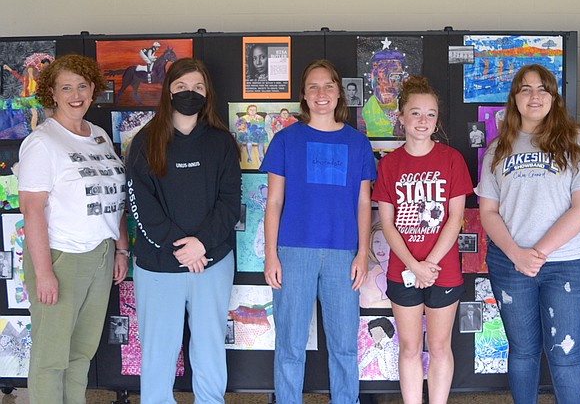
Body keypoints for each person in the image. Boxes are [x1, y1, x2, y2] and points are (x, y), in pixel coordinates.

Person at [475, 64, 580, 404]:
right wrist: (518, 255)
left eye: (542, 89)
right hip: (510, 264)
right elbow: (488, 212)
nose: (534, 96)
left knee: (565, 354)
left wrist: (539, 252)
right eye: (525, 89)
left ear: (553, 97)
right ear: (514, 98)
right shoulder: (497, 149)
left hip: (567, 264)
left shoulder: (576, 142)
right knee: (522, 352)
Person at [126, 58, 241, 403]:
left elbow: (230, 203)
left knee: (209, 351)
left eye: (198, 88)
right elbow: (141, 207)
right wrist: (183, 248)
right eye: (181, 87)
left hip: (212, 262)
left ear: (207, 95)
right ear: (167, 92)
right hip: (158, 265)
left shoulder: (221, 143)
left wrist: (201, 245)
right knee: (159, 353)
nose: (190, 94)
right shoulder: (145, 142)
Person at [262, 59, 375, 404]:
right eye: (313, 86)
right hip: (293, 251)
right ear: (303, 95)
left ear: (339, 92)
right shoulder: (285, 140)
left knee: (344, 345)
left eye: (328, 86)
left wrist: (362, 253)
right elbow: (274, 203)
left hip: (343, 253)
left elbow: (362, 204)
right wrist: (270, 255)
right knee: (290, 344)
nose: (321, 93)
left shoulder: (357, 144)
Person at [18, 54, 128, 403]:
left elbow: (114, 196)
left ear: (93, 88)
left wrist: (120, 247)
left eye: (82, 85)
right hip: (61, 257)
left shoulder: (98, 136)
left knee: (80, 354)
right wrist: (44, 272)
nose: (75, 94)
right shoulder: (42, 142)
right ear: (52, 92)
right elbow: (31, 210)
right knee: (51, 358)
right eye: (66, 87)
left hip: (100, 254)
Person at [372, 75, 472, 404]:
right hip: (403, 269)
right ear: (401, 117)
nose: (423, 121)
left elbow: (455, 218)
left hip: (443, 271)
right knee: (410, 347)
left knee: (441, 346)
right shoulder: (389, 165)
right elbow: (386, 223)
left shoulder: (452, 159)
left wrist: (429, 265)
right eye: (415, 113)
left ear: (437, 120)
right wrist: (414, 266)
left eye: (430, 114)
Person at [362, 47, 407, 137]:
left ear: (403, 79)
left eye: (394, 77)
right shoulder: (362, 115)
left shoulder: (409, 110)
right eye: (380, 79)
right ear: (370, 78)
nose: (387, 85)